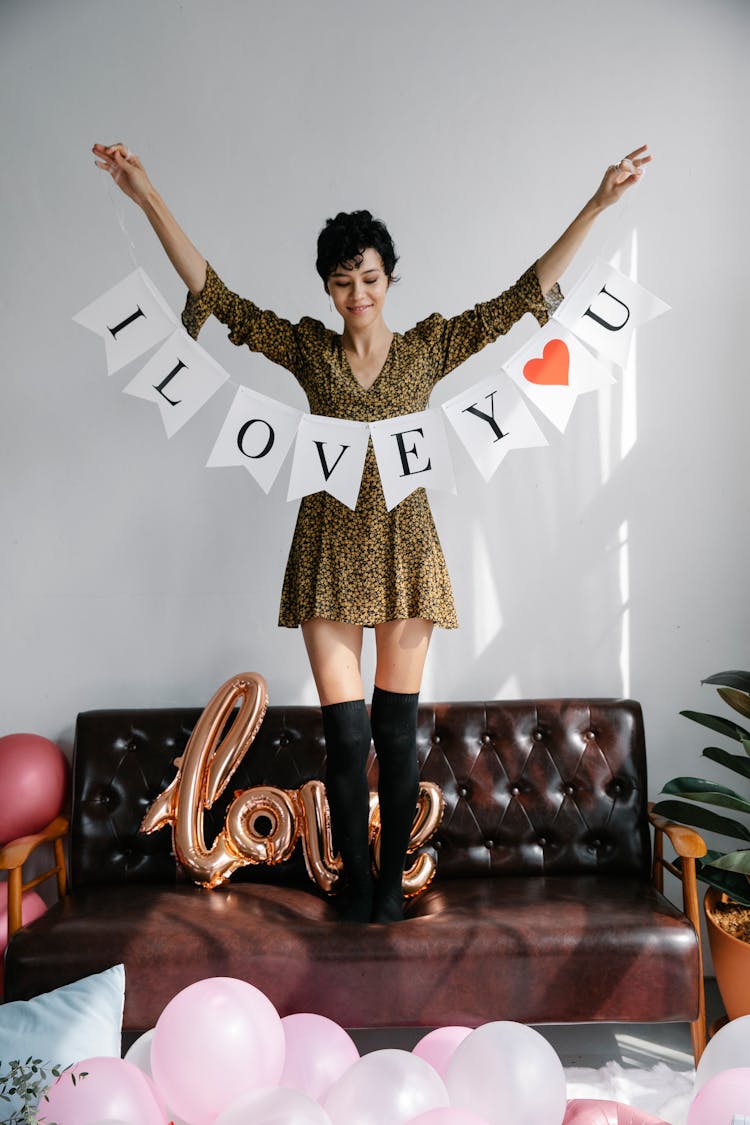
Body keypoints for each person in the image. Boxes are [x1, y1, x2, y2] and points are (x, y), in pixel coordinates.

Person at [91, 140, 651, 923]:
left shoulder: (427, 346)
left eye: (370, 277)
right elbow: (215, 295)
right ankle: (354, 886)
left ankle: (390, 889)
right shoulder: (307, 350)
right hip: (326, 551)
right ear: (327, 287)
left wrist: (596, 205)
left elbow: (521, 295)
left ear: (390, 278)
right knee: (346, 739)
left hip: (406, 550)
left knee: (395, 735)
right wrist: (145, 193)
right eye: (343, 280)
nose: (358, 292)